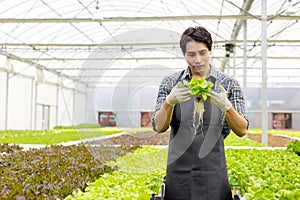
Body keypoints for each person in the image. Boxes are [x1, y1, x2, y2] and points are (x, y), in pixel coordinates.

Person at [151, 26, 248, 200]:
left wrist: (226, 106)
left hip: (214, 173)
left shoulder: (228, 84)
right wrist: (169, 102)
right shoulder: (171, 83)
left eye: (202, 53)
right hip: (178, 172)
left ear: (210, 50)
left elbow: (242, 130)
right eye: (191, 54)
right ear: (183, 55)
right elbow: (158, 127)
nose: (198, 60)